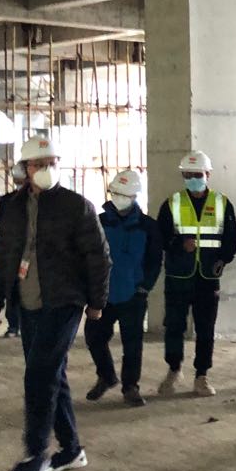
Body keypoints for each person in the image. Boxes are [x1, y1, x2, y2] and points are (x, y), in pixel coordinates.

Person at [0, 136, 110, 471]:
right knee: (53, 373)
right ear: (25, 169)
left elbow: (98, 257)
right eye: (39, 164)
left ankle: (36, 454)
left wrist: (97, 302)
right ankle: (71, 450)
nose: (46, 169)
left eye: (52, 163)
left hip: (64, 301)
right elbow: (4, 256)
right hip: (28, 303)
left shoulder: (76, 206)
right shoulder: (11, 208)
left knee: (39, 375)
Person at [155, 151, 236, 398]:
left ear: (208, 174)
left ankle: (201, 375)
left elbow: (231, 237)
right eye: (188, 175)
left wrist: (223, 259)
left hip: (207, 277)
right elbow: (161, 237)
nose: (193, 179)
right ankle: (174, 369)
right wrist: (179, 244)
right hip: (178, 276)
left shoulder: (222, 203)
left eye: (198, 174)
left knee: (205, 328)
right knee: (174, 325)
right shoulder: (172, 203)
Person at [84, 169, 162, 407]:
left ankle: (131, 387)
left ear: (135, 196)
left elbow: (154, 260)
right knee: (94, 337)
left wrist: (144, 287)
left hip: (133, 295)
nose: (119, 198)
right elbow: (87, 256)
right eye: (115, 193)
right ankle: (106, 376)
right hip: (103, 294)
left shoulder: (148, 226)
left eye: (124, 194)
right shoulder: (98, 222)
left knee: (132, 344)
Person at [0, 162, 27, 336]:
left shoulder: (8, 200)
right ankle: (15, 325)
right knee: (15, 288)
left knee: (15, 288)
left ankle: (14, 326)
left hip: (18, 251)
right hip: (17, 251)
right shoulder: (10, 201)